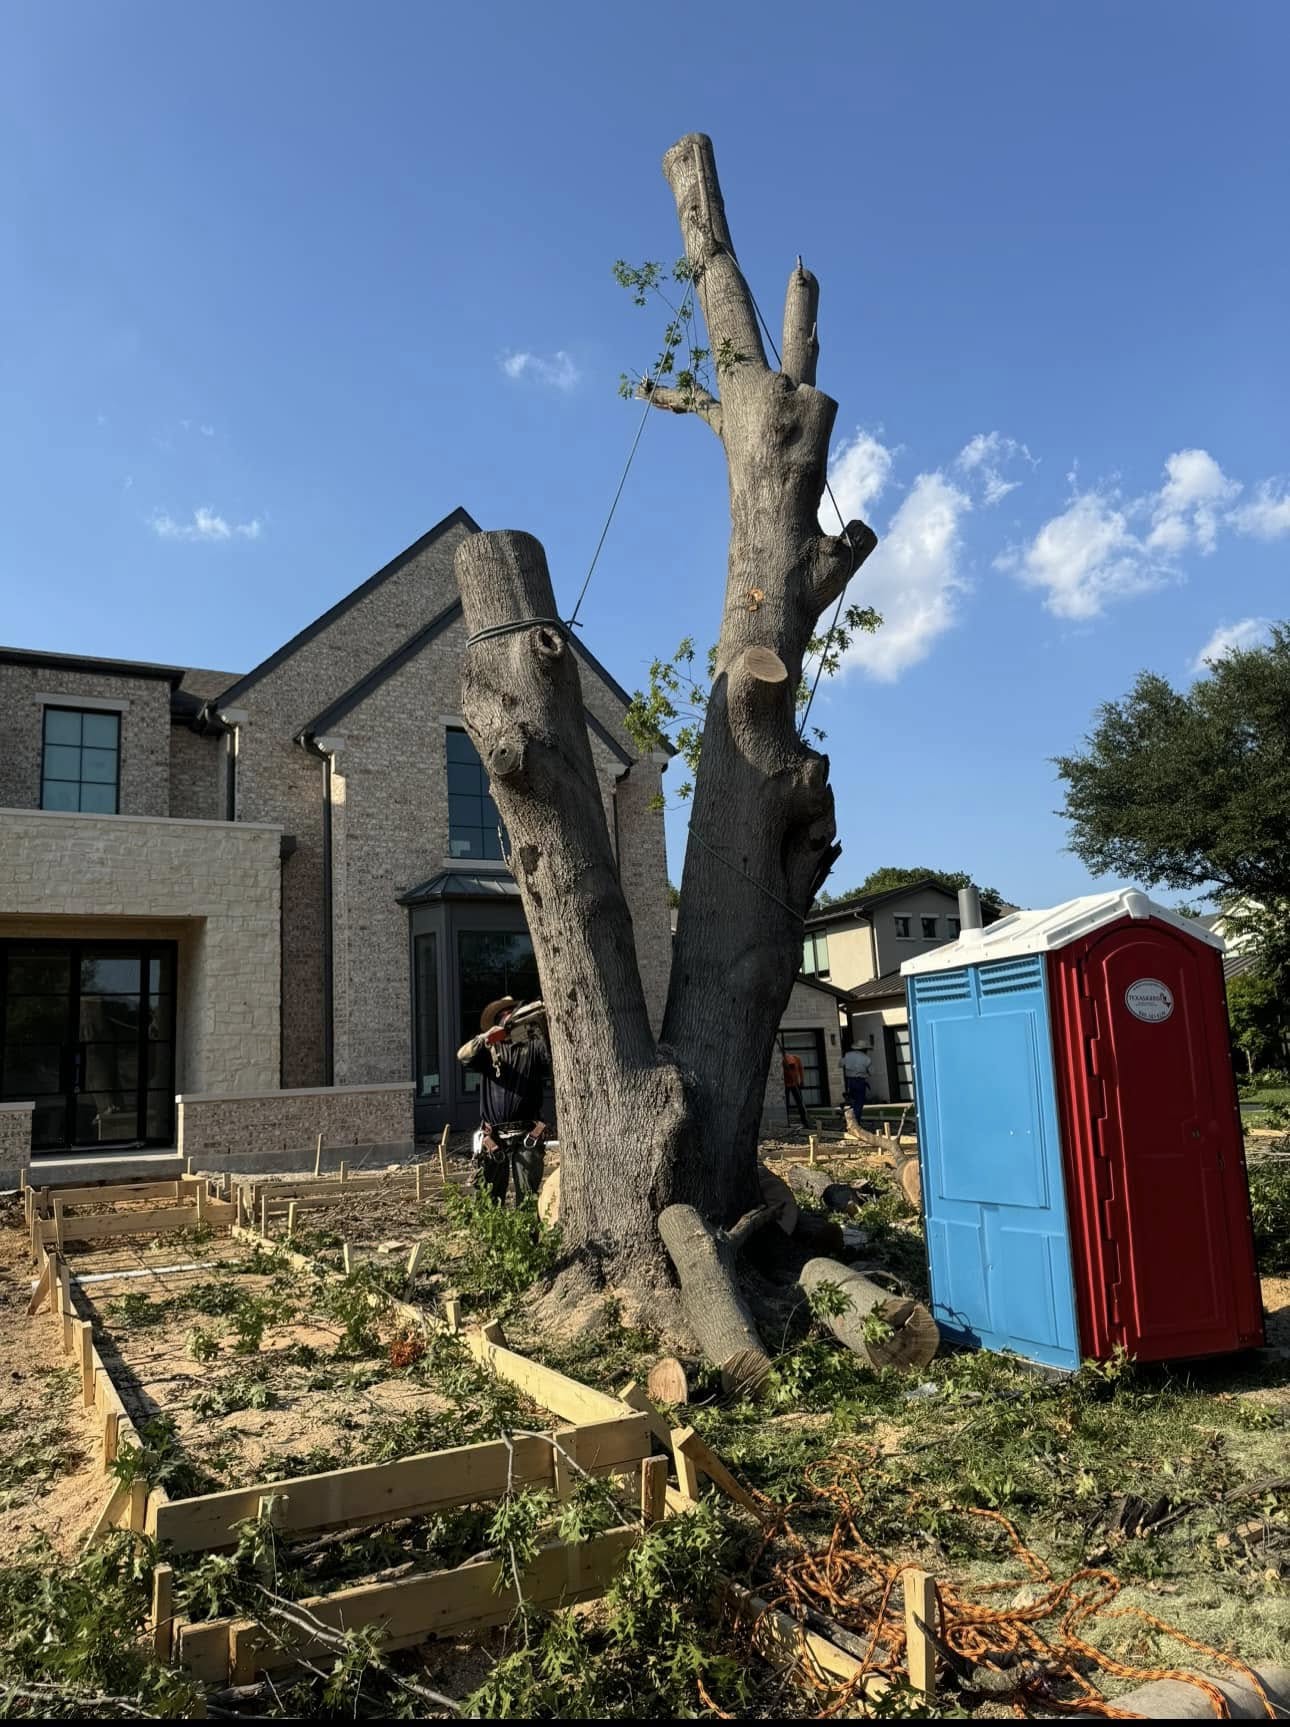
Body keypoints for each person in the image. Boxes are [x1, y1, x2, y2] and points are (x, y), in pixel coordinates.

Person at [457, 996, 551, 1205]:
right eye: (504, 1017)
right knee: (489, 1198)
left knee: (527, 1198)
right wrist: (486, 1038)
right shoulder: (489, 1052)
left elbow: (551, 1059)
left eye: (512, 1015)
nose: (509, 1020)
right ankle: (493, 1237)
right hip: (494, 1137)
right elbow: (463, 1056)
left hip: (528, 1134)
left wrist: (540, 1028)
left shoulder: (533, 1048)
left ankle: (527, 1238)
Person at [842, 1040, 872, 1127]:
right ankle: (856, 1122)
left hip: (851, 1081)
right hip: (859, 1082)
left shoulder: (849, 1057)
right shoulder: (865, 1059)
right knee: (859, 1102)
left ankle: (852, 1122)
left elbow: (842, 1064)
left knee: (853, 1102)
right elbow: (871, 1071)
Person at [781, 1047, 810, 1129]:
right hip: (785, 1085)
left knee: (800, 1103)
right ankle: (786, 1123)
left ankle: (805, 1122)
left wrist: (802, 1081)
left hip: (795, 1084)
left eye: (792, 1066)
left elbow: (801, 1070)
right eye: (790, 1066)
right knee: (786, 1104)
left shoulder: (796, 1059)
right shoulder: (781, 1061)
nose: (791, 1067)